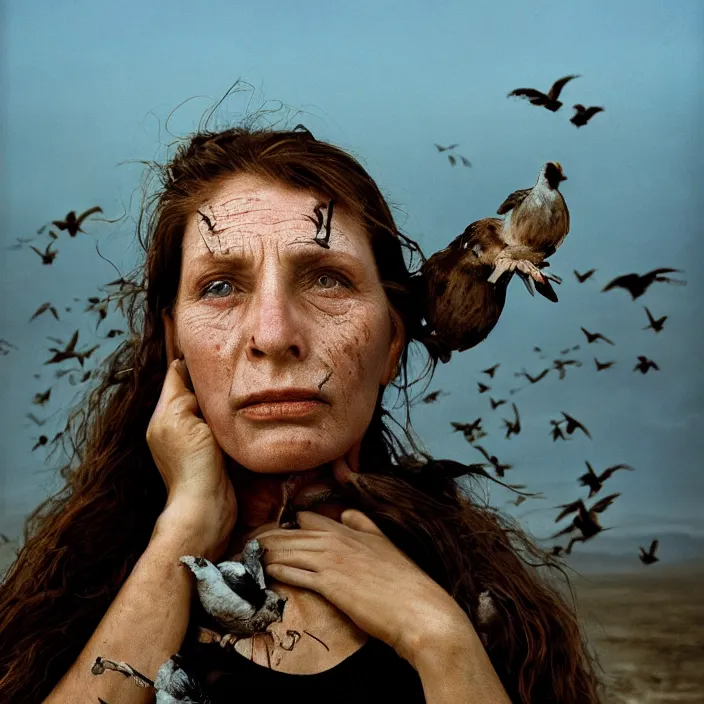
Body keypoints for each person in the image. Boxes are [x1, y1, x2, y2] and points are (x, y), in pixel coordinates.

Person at [0, 112, 604, 703]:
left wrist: (441, 640)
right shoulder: (77, 598)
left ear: (392, 341)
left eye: (327, 280)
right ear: (173, 343)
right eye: (221, 286)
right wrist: (179, 535)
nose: (272, 333)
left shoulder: (486, 606)